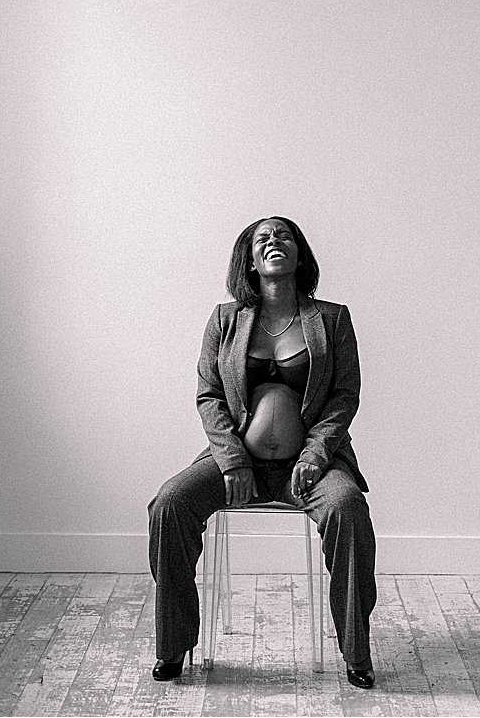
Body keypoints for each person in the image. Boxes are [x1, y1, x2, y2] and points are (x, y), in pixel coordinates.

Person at [147, 217, 377, 689]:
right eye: (262, 238)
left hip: (312, 466)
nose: (274, 241)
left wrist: (315, 456)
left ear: (300, 254)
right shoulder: (224, 319)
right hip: (237, 464)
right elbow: (209, 395)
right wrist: (232, 461)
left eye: (284, 235)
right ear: (249, 260)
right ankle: (173, 644)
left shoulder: (332, 319)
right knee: (169, 503)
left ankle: (356, 650)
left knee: (348, 508)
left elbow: (344, 396)